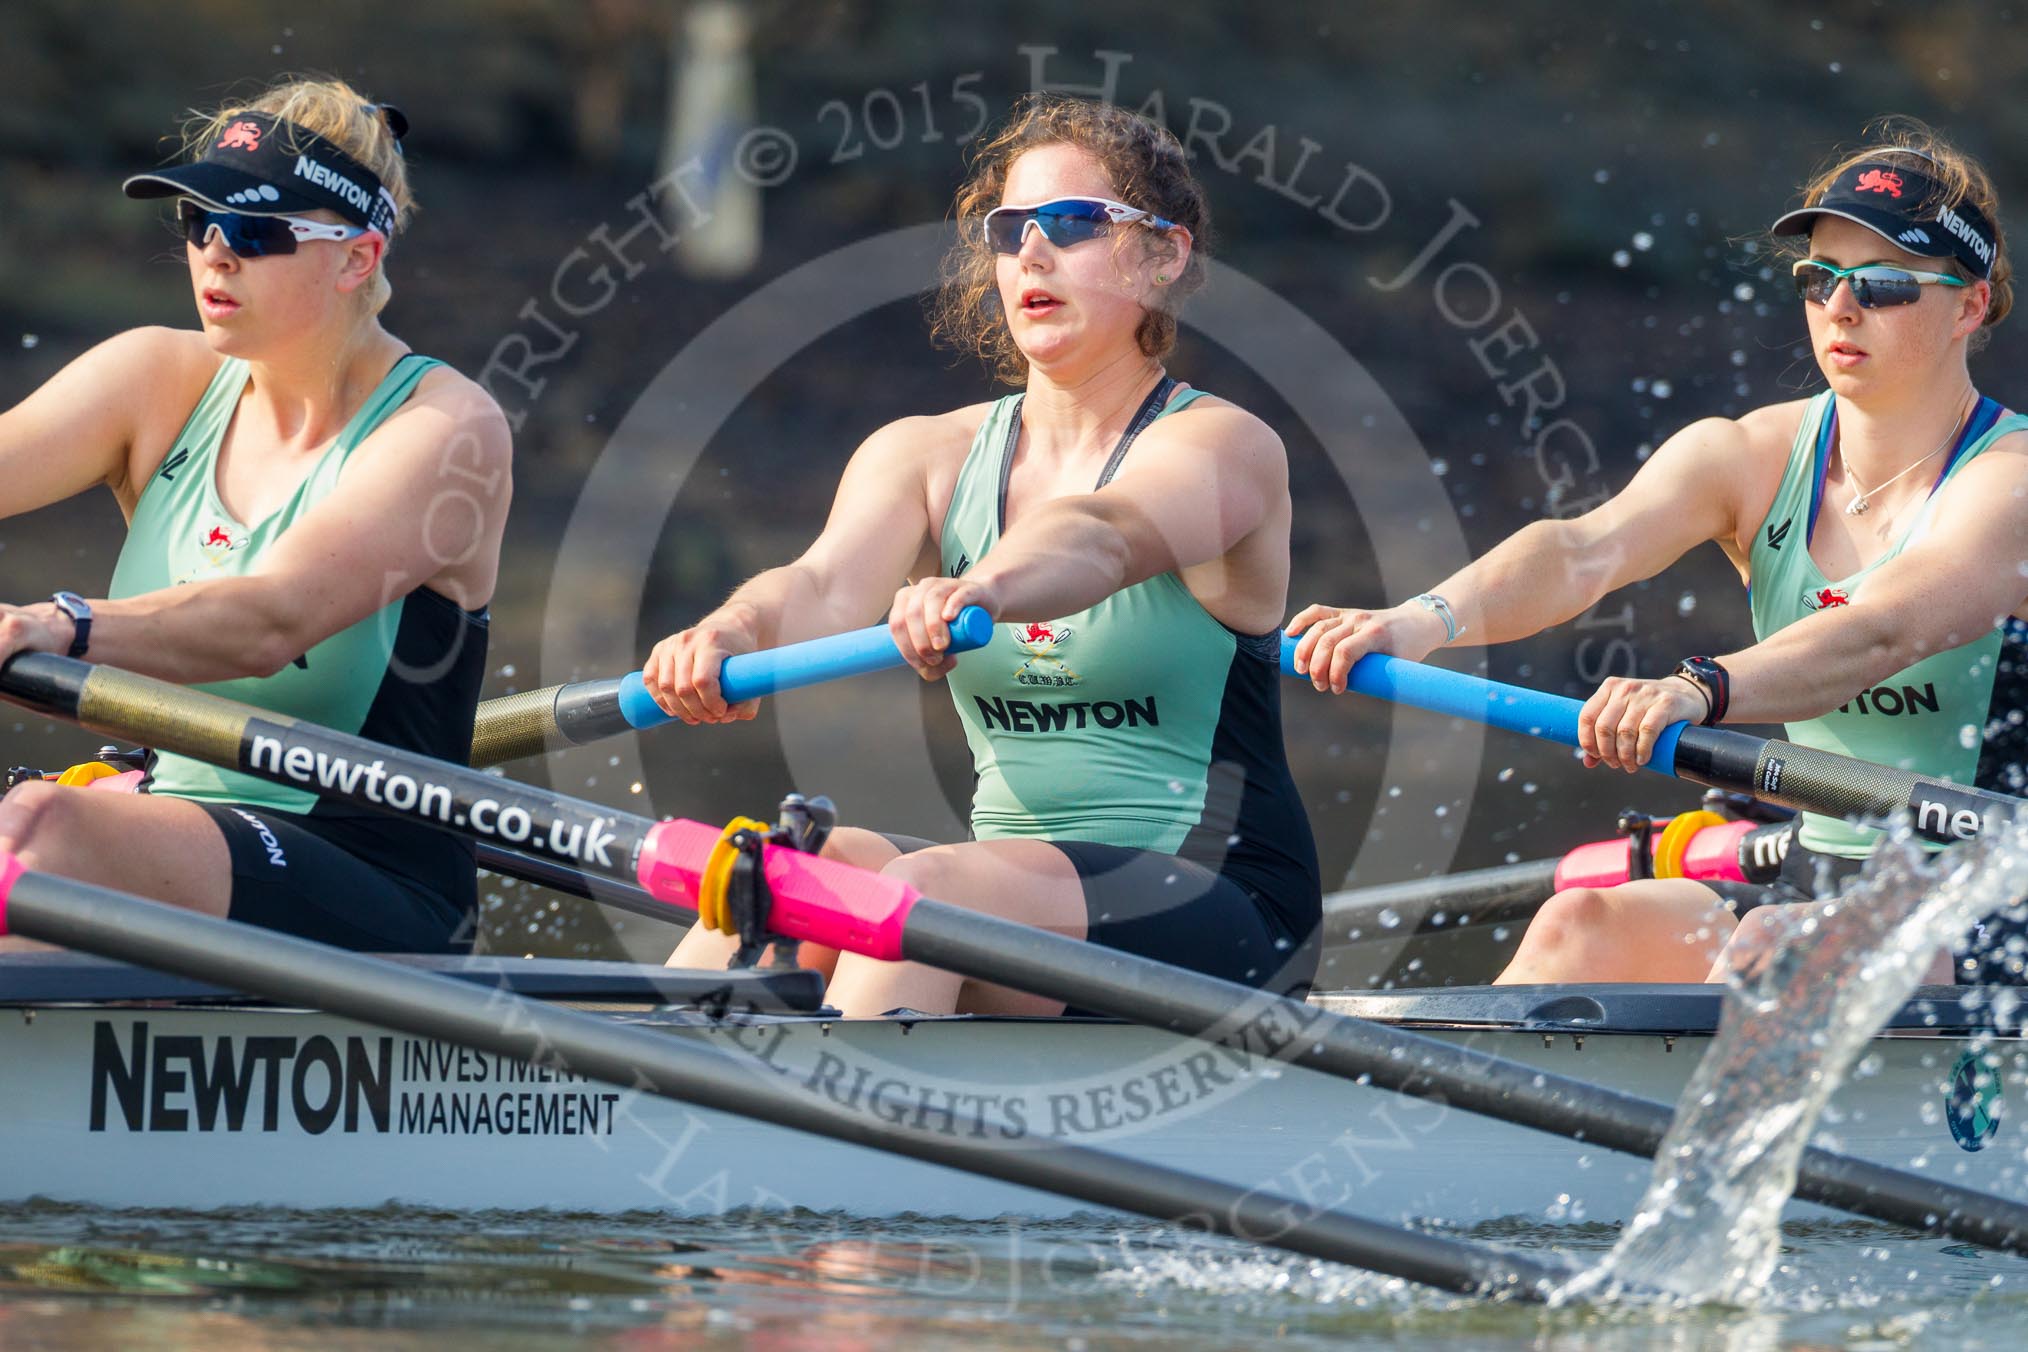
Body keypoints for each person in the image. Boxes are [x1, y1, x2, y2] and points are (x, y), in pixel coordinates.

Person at [1288, 118, 2028, 986]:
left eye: (1884, 285)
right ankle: (1460, 1121)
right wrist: (1421, 621)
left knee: (1769, 951)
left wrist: (1698, 687)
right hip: (1823, 875)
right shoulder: (1747, 457)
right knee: (1582, 923)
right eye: (1819, 278)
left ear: (1969, 305)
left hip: (1997, 894)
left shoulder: (2008, 480)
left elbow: (1878, 634)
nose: (1840, 307)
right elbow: (1581, 551)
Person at [646, 94, 1321, 1016]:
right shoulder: (926, 452)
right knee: (793, 868)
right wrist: (730, 629)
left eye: (1075, 223)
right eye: (1011, 229)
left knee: (923, 895)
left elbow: (1104, 534)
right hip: (1015, 893)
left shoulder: (1224, 449)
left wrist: (983, 586)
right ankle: (625, 1110)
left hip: (1226, 908)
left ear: (1164, 257)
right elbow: (820, 583)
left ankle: (828, 1129)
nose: (1033, 254)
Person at [0, 77, 513, 952]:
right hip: (168, 831)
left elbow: (269, 621)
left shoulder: (448, 429)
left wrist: (57, 626)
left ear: (357, 257)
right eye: (198, 223)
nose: (214, 255)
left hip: (373, 878)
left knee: (41, 829)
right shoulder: (154, 380)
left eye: (255, 231)